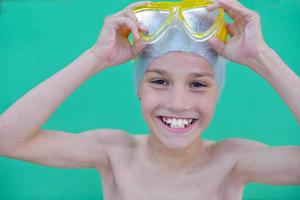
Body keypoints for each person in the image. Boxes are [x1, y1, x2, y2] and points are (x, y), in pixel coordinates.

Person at [0, 0, 299, 199]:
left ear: (217, 91)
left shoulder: (233, 161)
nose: (178, 102)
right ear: (139, 88)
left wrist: (261, 57)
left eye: (197, 84)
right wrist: (96, 58)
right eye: (159, 81)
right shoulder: (114, 153)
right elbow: (7, 139)